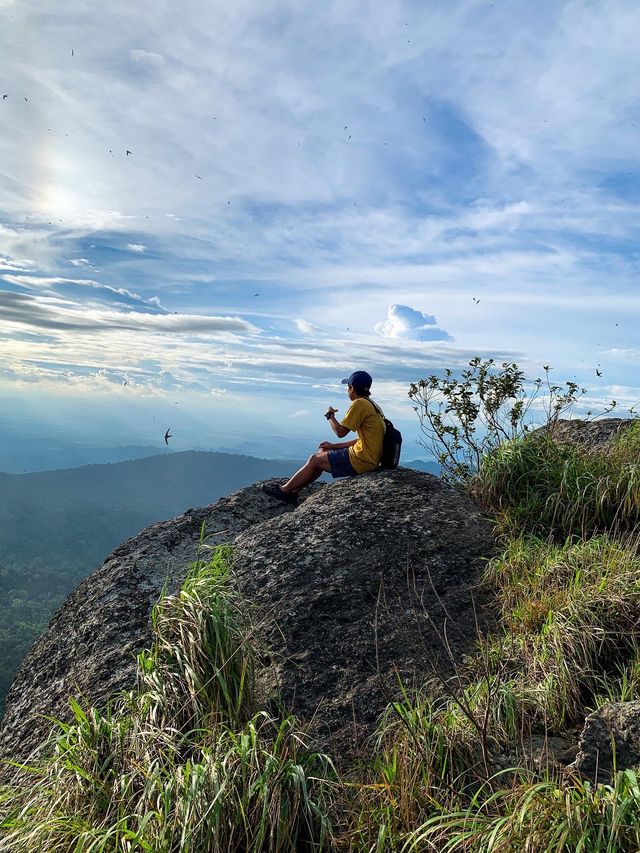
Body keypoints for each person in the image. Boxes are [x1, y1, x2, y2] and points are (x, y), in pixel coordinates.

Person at [262, 370, 385, 504]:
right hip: (370, 458)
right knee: (322, 453)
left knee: (315, 459)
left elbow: (340, 432)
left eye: (348, 387)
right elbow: (362, 441)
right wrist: (333, 447)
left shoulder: (359, 404)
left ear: (352, 388)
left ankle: (285, 491)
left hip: (362, 461)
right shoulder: (372, 405)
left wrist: (330, 416)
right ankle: (294, 491)